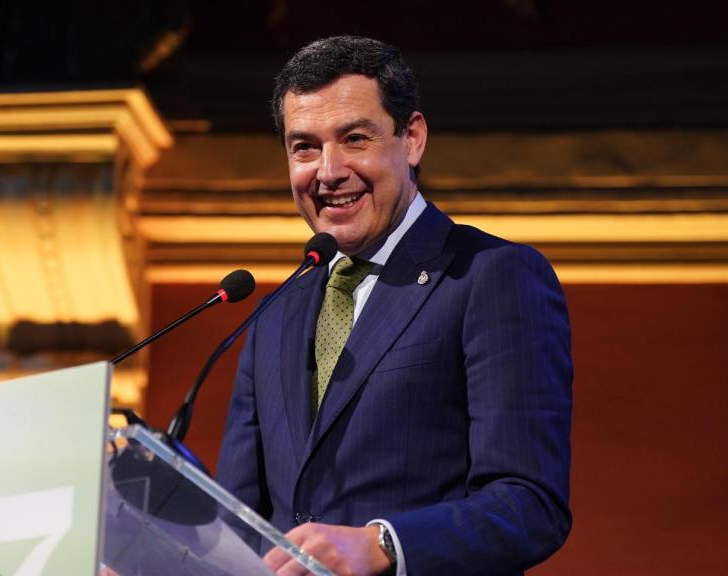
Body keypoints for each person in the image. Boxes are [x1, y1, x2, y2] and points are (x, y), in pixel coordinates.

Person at [216, 36, 572, 576]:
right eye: (304, 147)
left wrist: (383, 544)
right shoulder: (274, 315)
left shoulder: (489, 277)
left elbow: (530, 505)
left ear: (412, 139)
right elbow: (239, 525)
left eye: (354, 139)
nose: (328, 171)